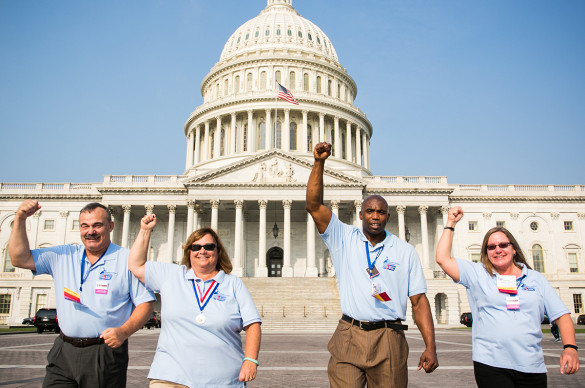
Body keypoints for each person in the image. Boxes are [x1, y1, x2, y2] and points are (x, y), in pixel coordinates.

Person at [305, 142, 438, 388]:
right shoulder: (343, 238)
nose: (375, 216)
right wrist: (319, 163)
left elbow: (419, 302)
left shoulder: (405, 251)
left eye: (380, 212)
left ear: (388, 215)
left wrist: (430, 346)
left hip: (389, 335)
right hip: (349, 332)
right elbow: (313, 206)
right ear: (360, 214)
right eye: (369, 211)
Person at [8, 200, 155, 387]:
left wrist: (124, 332)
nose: (90, 231)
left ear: (111, 226)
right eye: (85, 226)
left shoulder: (128, 259)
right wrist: (20, 218)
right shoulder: (63, 255)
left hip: (104, 352)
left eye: (97, 225)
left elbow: (146, 303)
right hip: (64, 349)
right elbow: (19, 258)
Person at [436, 206, 580, 387]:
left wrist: (570, 348)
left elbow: (561, 315)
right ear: (486, 252)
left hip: (531, 365)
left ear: (513, 249)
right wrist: (450, 223)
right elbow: (442, 258)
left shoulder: (535, 279)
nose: (498, 250)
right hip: (491, 363)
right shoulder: (478, 274)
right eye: (491, 247)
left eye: (503, 245)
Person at [128, 214, 261, 387]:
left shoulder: (232, 284)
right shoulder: (171, 275)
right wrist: (145, 231)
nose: (202, 251)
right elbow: (136, 265)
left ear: (218, 251)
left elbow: (253, 325)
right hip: (171, 376)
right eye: (196, 247)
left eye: (209, 246)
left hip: (222, 380)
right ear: (188, 252)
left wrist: (251, 360)